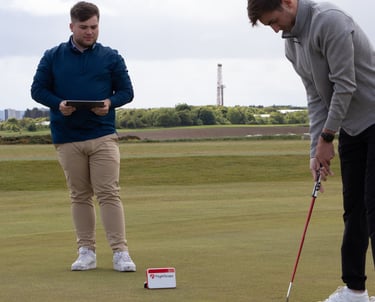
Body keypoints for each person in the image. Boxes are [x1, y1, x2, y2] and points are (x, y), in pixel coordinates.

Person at [247, 0, 375, 301]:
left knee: (374, 207)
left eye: (274, 20)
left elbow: (345, 86)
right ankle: (355, 291)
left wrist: (328, 138)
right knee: (354, 211)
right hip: (354, 128)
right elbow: (316, 98)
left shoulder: (330, 21)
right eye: (269, 26)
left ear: (288, 2)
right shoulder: (292, 45)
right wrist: (315, 151)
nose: (276, 29)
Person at [31, 1, 136, 272]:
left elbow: (126, 92)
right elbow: (38, 90)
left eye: (94, 26)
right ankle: (86, 251)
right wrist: (58, 104)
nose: (90, 32)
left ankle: (120, 252)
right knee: (79, 195)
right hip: (67, 137)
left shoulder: (111, 56)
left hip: (102, 134)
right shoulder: (52, 56)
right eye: (84, 27)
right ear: (72, 26)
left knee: (109, 193)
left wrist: (110, 103)